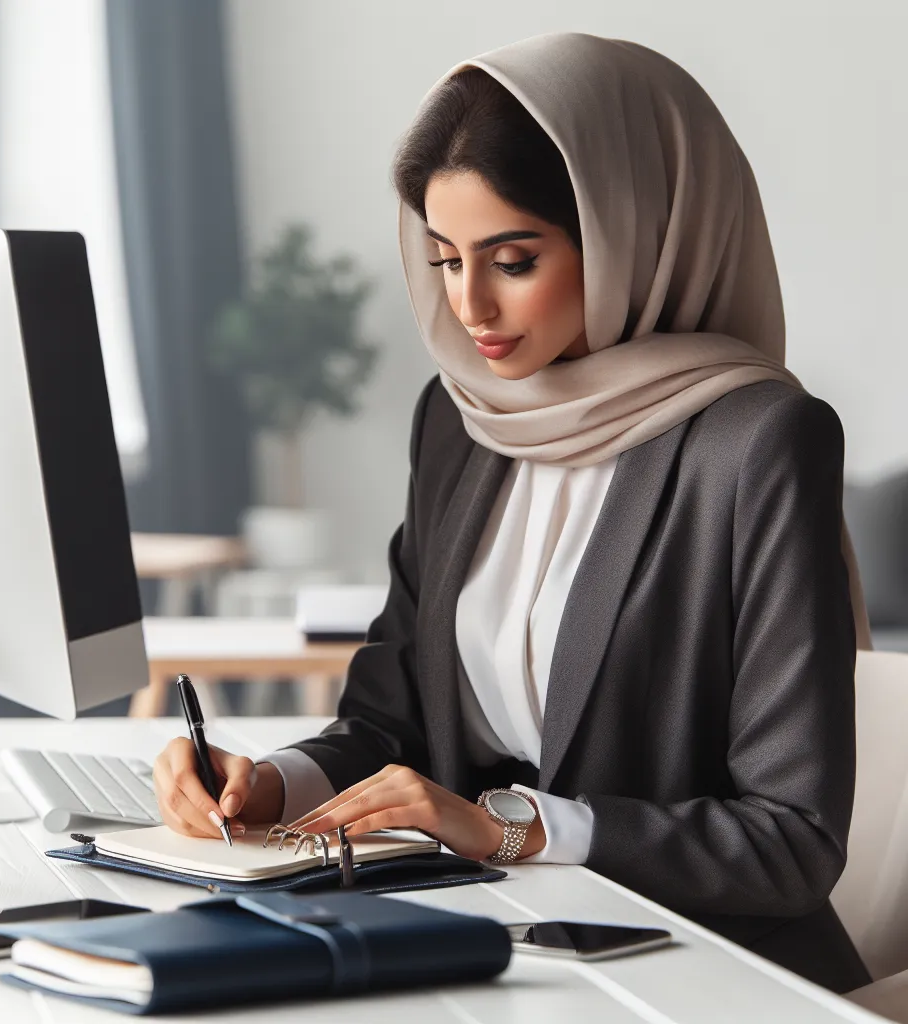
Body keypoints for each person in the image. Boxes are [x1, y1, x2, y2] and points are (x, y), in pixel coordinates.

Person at [153, 32, 873, 992]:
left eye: (514, 258)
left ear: (629, 231)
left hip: (696, 970)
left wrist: (507, 828)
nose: (471, 307)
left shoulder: (756, 443)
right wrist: (272, 786)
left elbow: (790, 840)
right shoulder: (460, 426)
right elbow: (388, 724)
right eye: (448, 260)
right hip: (491, 947)